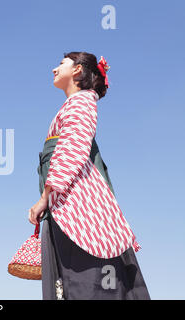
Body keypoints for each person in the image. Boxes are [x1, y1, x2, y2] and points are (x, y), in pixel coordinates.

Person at [28, 52, 151, 300]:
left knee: (86, 286)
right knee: (77, 286)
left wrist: (45, 197)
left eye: (61, 64)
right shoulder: (76, 104)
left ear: (77, 70)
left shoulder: (82, 102)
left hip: (78, 209)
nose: (54, 69)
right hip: (67, 204)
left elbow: (72, 149)